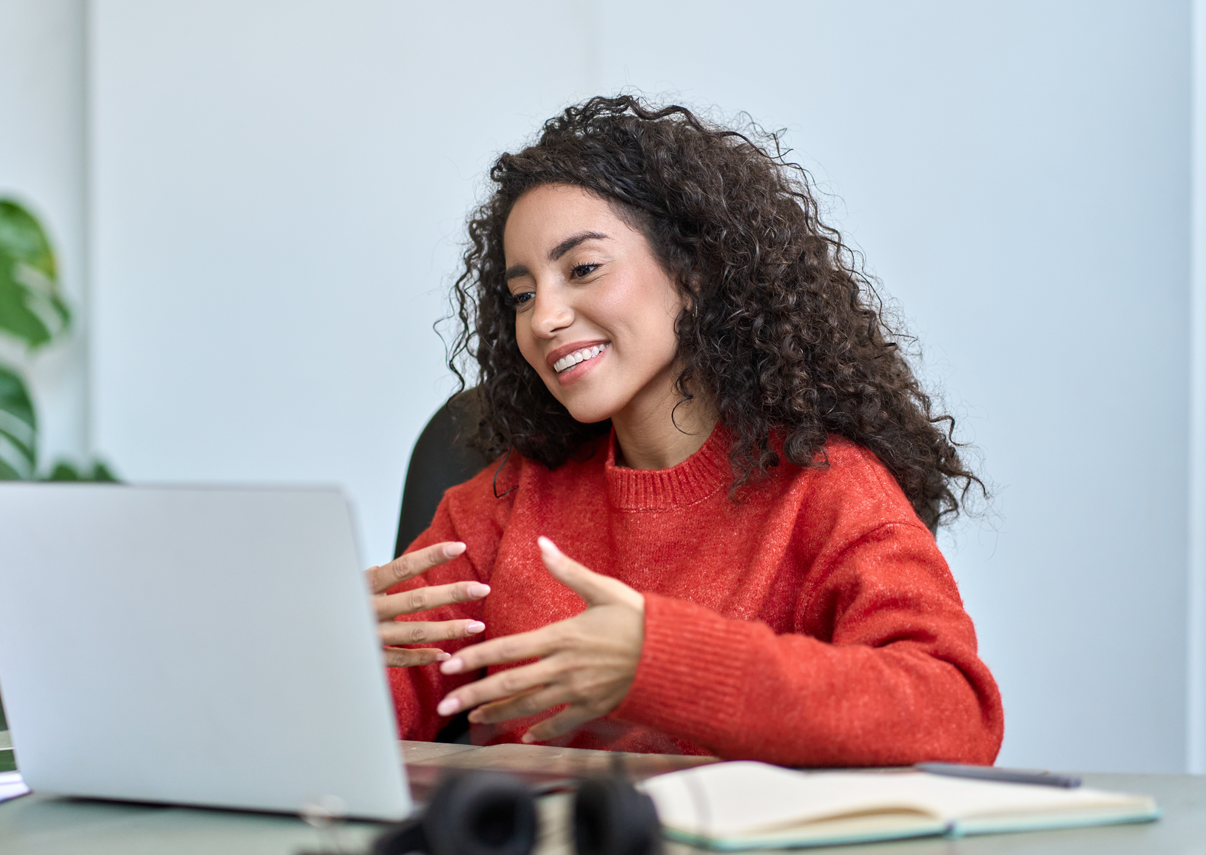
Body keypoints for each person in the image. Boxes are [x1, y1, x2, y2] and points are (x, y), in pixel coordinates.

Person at [365, 96, 1003, 766]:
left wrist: (663, 661)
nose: (544, 318)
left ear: (692, 273)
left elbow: (953, 714)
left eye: (582, 269)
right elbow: (370, 705)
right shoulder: (502, 502)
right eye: (522, 294)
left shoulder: (826, 490)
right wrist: (327, 654)